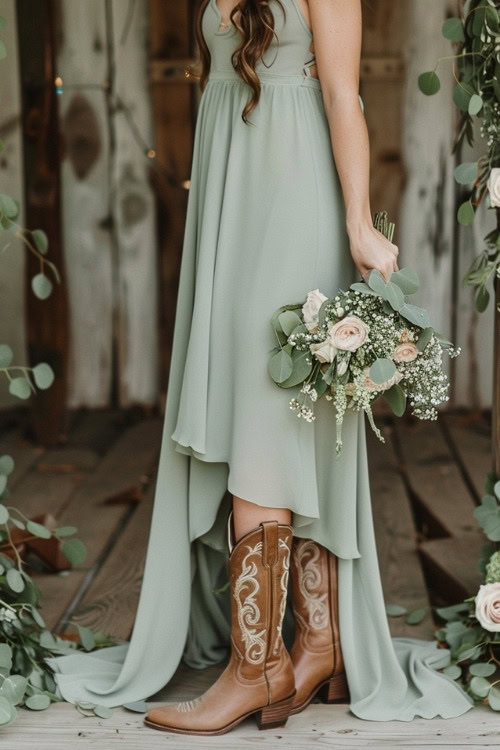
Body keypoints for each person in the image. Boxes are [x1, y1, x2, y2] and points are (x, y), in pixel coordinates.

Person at [48, 0, 475, 734]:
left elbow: (342, 94)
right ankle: (315, 645)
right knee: (261, 396)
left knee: (268, 397)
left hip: (292, 189)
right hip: (231, 197)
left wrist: (359, 222)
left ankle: (260, 667)